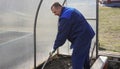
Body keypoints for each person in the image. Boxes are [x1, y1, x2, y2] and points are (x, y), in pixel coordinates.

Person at [51, 2, 95, 69]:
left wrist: (54, 47)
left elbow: (62, 35)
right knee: (84, 56)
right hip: (86, 34)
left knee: (76, 59)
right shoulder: (69, 10)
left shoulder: (65, 17)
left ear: (59, 7)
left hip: (82, 37)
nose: (55, 14)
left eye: (55, 12)